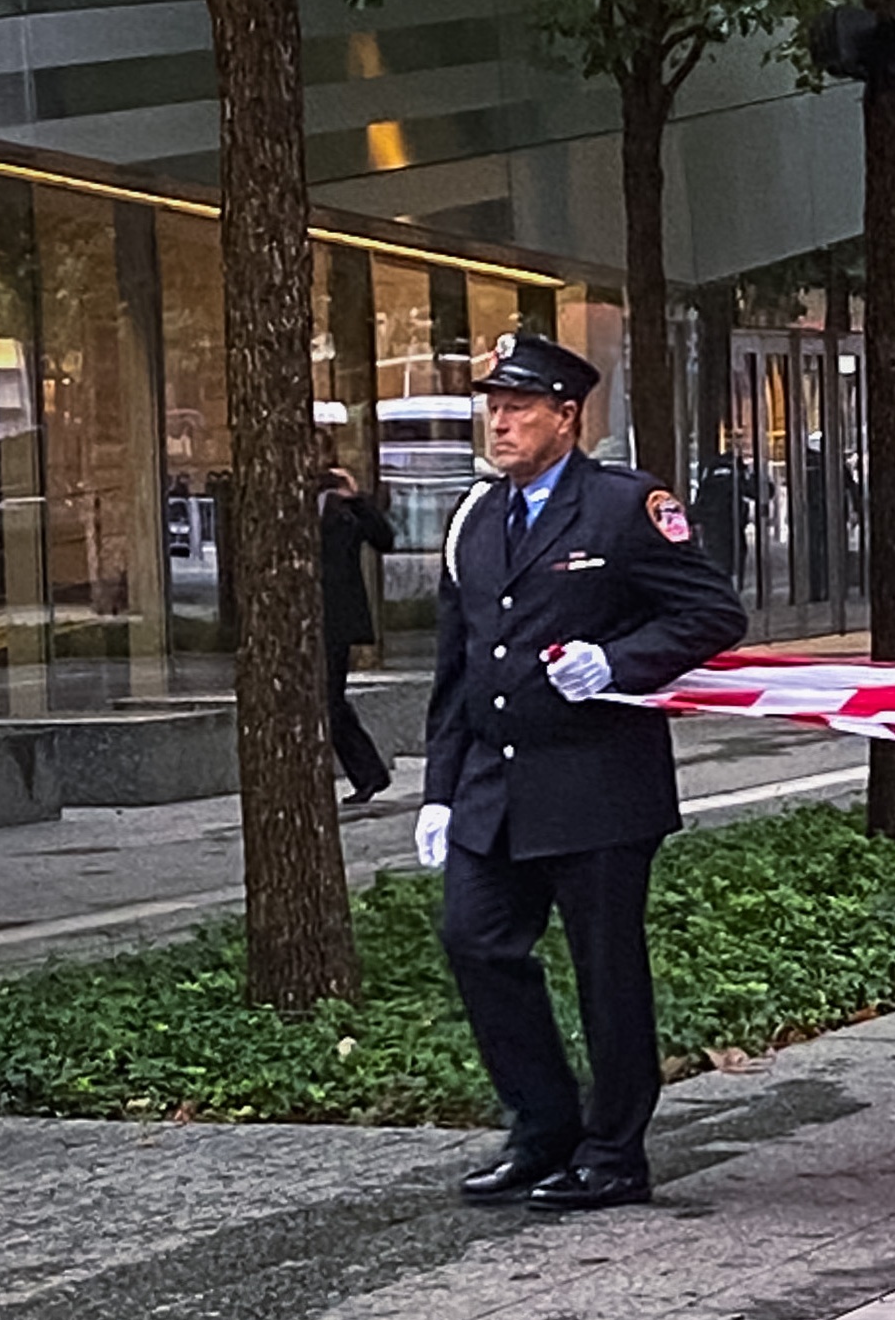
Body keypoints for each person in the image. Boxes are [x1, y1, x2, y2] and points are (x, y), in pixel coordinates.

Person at [416, 332, 748, 1213]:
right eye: (494, 405)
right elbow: (459, 667)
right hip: (496, 786)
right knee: (475, 940)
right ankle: (542, 1128)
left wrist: (618, 661)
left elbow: (714, 612)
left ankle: (613, 1151)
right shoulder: (476, 518)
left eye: (520, 405)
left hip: (598, 784)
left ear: (568, 416)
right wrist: (439, 790)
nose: (502, 421)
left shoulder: (622, 509)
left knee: (607, 972)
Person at [318, 447, 399, 809]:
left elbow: (384, 539)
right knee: (325, 701)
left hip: (334, 618)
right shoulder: (295, 506)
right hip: (305, 615)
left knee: (329, 700)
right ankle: (368, 773)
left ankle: (367, 773)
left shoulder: (344, 508)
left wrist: (357, 498)